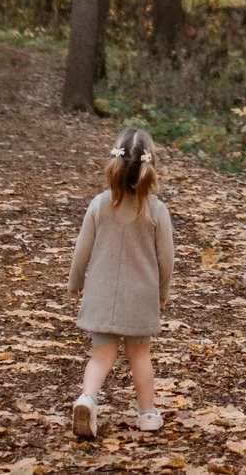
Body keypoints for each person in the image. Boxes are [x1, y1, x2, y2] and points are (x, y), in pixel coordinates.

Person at [68, 125, 175, 438]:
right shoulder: (156, 210)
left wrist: (75, 283)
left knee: (101, 355)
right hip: (140, 299)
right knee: (139, 356)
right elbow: (166, 258)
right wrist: (162, 292)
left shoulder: (99, 205)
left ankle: (87, 399)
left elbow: (81, 249)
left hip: (102, 297)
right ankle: (148, 414)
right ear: (149, 166)